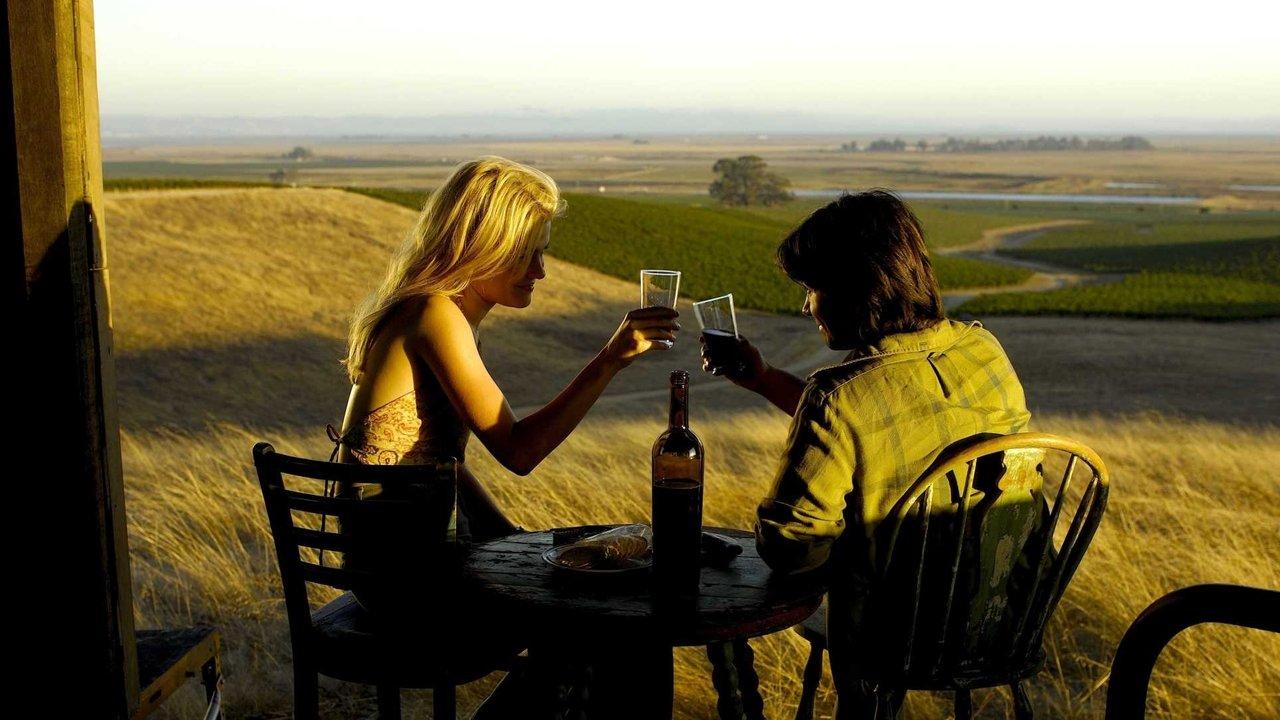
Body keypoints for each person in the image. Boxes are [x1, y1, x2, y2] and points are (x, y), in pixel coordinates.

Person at [331, 157, 679, 711]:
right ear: (479, 246)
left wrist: (515, 539)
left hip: (397, 559)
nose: (540, 270)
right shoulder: (435, 314)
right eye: (526, 253)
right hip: (403, 575)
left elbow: (441, 464)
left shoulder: (436, 312)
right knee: (620, 625)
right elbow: (518, 451)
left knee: (607, 618)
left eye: (542, 252)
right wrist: (610, 360)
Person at [700, 190, 1031, 718]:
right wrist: (764, 380)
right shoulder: (984, 349)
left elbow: (791, 548)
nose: (806, 306)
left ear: (855, 290)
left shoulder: (838, 397)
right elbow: (881, 422)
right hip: (999, 614)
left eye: (812, 288)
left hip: (892, 634)